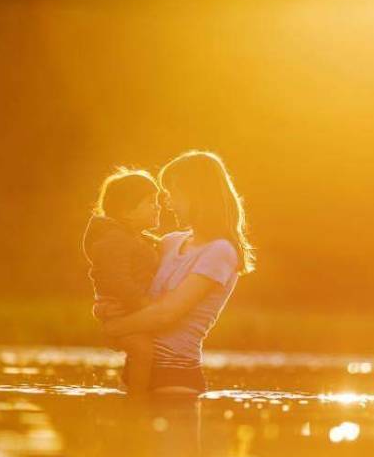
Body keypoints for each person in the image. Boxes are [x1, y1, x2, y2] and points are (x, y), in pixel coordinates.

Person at [103, 150, 255, 394]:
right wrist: (108, 309)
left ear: (197, 196)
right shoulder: (169, 242)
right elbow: (137, 294)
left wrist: (114, 329)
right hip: (134, 370)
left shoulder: (221, 251)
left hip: (174, 377)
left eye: (174, 193)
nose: (167, 203)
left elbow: (166, 314)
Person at [82, 168, 161, 393]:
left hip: (129, 308)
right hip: (120, 308)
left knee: (143, 349)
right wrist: (144, 304)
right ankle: (137, 400)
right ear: (128, 211)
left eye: (156, 200)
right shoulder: (114, 240)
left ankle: (132, 391)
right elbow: (117, 281)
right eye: (149, 201)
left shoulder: (136, 238)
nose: (157, 206)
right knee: (142, 349)